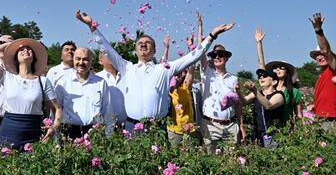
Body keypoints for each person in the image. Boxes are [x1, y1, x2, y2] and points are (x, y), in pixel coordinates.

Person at [76, 9, 235, 133]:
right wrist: (92, 27)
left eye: (148, 43)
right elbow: (107, 49)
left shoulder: (164, 69)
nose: (143, 44)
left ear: (155, 49)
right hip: (132, 126)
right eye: (140, 43)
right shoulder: (126, 67)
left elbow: (192, 57)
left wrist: (212, 36)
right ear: (135, 49)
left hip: (157, 127)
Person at [0, 38, 62, 150]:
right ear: (15, 59)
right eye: (21, 50)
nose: (25, 50)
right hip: (8, 131)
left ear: (34, 58)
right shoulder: (7, 77)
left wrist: (54, 126)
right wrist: (9, 45)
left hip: (33, 132)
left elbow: (57, 108)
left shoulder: (42, 81)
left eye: (29, 49)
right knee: (7, 164)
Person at [196, 11, 245, 153]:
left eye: (221, 55)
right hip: (210, 124)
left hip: (230, 125)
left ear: (226, 58)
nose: (217, 57)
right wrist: (200, 27)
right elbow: (200, 50)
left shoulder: (233, 78)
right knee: (210, 161)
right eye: (215, 55)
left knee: (231, 161)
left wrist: (241, 125)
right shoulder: (206, 72)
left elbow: (238, 104)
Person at [54, 47, 110, 139]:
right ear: (73, 60)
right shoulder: (63, 82)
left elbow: (107, 111)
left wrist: (107, 136)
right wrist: (56, 138)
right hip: (69, 133)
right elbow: (56, 110)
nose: (81, 62)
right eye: (78, 59)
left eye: (85, 59)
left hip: (94, 132)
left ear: (91, 61)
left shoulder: (101, 83)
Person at [254, 27, 303, 124]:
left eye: (282, 68)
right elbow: (261, 63)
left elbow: (298, 114)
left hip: (285, 129)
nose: (278, 69)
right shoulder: (269, 85)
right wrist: (259, 43)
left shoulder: (294, 92)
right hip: (266, 125)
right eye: (276, 67)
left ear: (287, 73)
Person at [308, 12, 336, 127]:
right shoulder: (321, 75)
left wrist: (318, 31)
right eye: (317, 55)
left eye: (322, 54)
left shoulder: (335, 69)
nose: (320, 56)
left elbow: (325, 50)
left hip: (334, 120)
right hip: (322, 118)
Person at [167, 35, 198, 146]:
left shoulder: (185, 87)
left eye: (183, 72)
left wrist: (191, 48)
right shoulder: (168, 89)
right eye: (178, 72)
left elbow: (192, 68)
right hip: (174, 131)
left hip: (189, 130)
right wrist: (166, 49)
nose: (181, 74)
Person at [242, 69, 285, 147]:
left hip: (274, 135)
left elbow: (269, 106)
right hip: (257, 134)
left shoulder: (279, 95)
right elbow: (243, 102)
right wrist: (237, 91)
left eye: (265, 76)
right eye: (259, 76)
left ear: (274, 82)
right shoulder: (256, 94)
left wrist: (255, 91)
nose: (261, 78)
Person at [95, 52, 127, 128]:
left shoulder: (126, 76)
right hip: (107, 128)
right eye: (107, 55)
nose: (111, 56)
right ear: (100, 61)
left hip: (128, 126)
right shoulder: (97, 79)